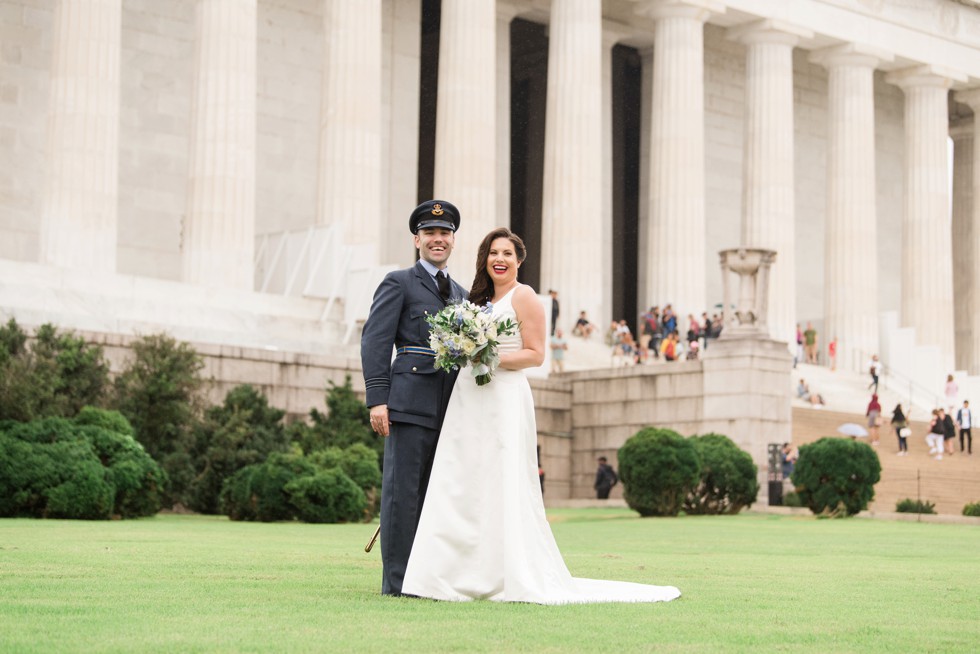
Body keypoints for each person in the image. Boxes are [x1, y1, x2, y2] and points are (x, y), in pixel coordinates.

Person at [401, 227, 679, 604]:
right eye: (493, 253)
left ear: (519, 260)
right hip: (468, 397)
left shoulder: (525, 296)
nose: (500, 259)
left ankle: (504, 572)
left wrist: (486, 353)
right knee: (463, 478)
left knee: (502, 479)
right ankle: (447, 574)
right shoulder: (475, 301)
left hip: (504, 397)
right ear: (485, 259)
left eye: (508, 254)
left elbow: (535, 354)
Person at [360, 199, 467, 596]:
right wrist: (377, 398)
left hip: (451, 408)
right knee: (402, 494)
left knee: (438, 495)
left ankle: (429, 577)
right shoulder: (398, 282)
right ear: (416, 239)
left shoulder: (460, 294)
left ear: (453, 240)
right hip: (408, 402)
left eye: (444, 233)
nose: (437, 239)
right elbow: (375, 339)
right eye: (430, 233)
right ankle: (398, 583)